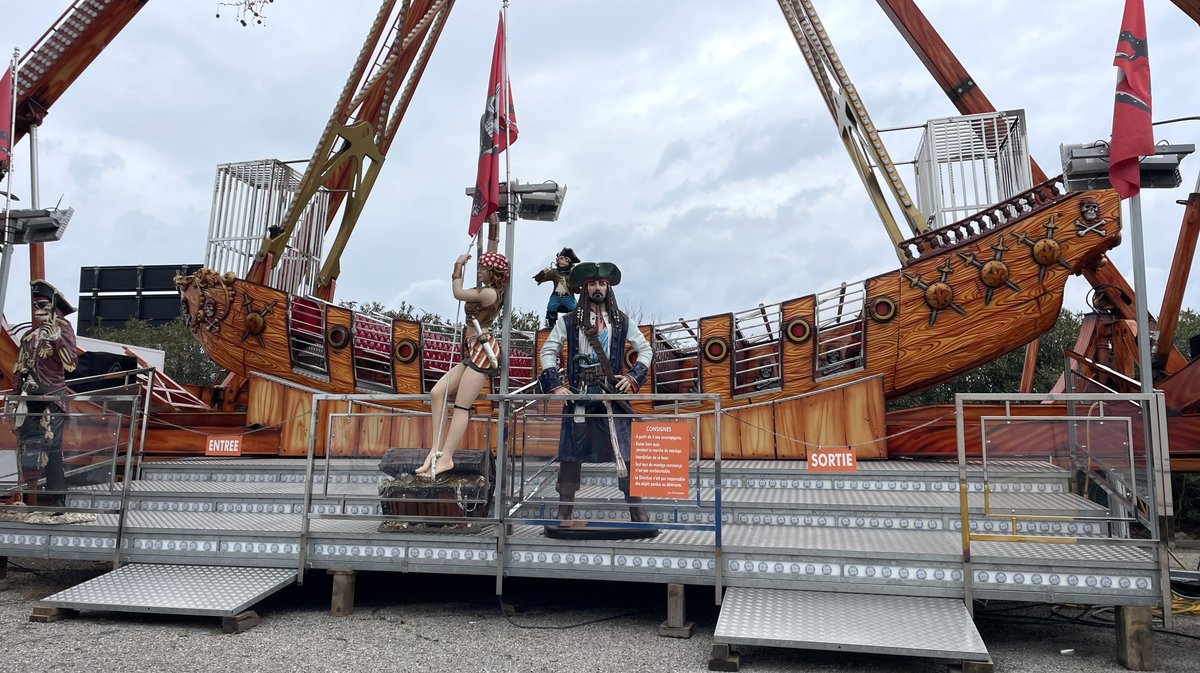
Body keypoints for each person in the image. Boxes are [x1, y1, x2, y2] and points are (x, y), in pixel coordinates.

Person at [538, 261, 653, 524]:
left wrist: (633, 377)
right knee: (569, 455)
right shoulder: (569, 321)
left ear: (608, 288)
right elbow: (548, 351)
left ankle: (636, 510)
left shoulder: (621, 321)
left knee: (624, 452)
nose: (598, 288)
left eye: (602, 283)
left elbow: (645, 349)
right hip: (579, 396)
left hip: (610, 396)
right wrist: (556, 385)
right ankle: (564, 512)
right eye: (592, 284)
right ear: (585, 289)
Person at [415, 249, 509, 479]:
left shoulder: (489, 294)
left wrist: (457, 267)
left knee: (461, 406)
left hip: (483, 350)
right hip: (473, 348)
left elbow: (458, 293)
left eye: (483, 268)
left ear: (493, 272)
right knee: (438, 392)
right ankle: (435, 450)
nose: (479, 271)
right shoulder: (486, 291)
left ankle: (446, 456)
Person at [10, 280, 78, 509]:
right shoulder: (29, 336)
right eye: (36, 304)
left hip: (51, 397)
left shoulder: (63, 329)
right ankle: (26, 499)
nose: (38, 309)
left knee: (52, 447)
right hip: (28, 398)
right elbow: (19, 367)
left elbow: (70, 364)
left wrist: (55, 339)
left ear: (54, 307)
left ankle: (58, 500)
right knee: (26, 447)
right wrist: (15, 394)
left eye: (43, 305)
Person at [533, 247, 581, 329]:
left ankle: (574, 325)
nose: (562, 261)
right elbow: (538, 278)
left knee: (574, 308)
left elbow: (577, 290)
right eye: (561, 259)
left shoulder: (572, 274)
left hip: (568, 296)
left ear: (570, 262)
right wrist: (545, 271)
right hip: (556, 296)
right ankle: (551, 325)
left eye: (566, 259)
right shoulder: (554, 272)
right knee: (551, 306)